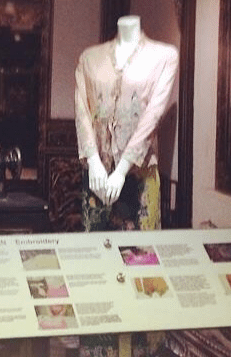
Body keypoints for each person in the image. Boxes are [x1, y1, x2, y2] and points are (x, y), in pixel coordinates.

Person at [75, 14, 178, 231]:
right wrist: (93, 161)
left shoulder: (164, 56)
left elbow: (153, 115)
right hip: (98, 175)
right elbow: (82, 110)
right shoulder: (89, 58)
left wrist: (121, 170)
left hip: (140, 171)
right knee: (97, 246)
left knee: (141, 248)